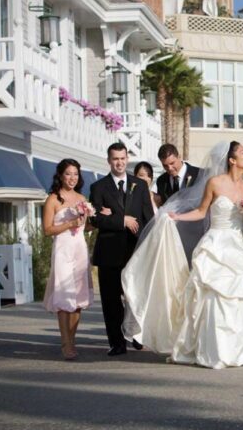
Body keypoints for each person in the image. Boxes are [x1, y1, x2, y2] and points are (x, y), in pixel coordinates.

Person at [121, 141, 243, 369]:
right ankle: (216, 348)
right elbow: (201, 211)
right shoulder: (214, 183)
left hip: (237, 247)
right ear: (231, 160)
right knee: (213, 295)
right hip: (216, 244)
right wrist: (176, 218)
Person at [89, 143, 154, 356]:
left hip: (134, 252)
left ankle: (136, 336)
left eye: (123, 158)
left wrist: (143, 242)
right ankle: (117, 343)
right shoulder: (98, 187)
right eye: (115, 159)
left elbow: (148, 219)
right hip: (109, 253)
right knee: (111, 301)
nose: (119, 162)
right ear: (109, 160)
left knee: (135, 296)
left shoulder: (139, 185)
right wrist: (121, 220)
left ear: (127, 159)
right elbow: (95, 218)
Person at [41, 159, 93, 360]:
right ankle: (65, 343)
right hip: (63, 250)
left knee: (78, 299)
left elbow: (84, 226)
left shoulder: (82, 198)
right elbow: (47, 229)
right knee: (64, 298)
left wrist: (97, 221)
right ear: (61, 175)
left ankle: (73, 339)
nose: (72, 178)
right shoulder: (53, 199)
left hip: (79, 248)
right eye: (68, 174)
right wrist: (69, 223)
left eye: (76, 174)